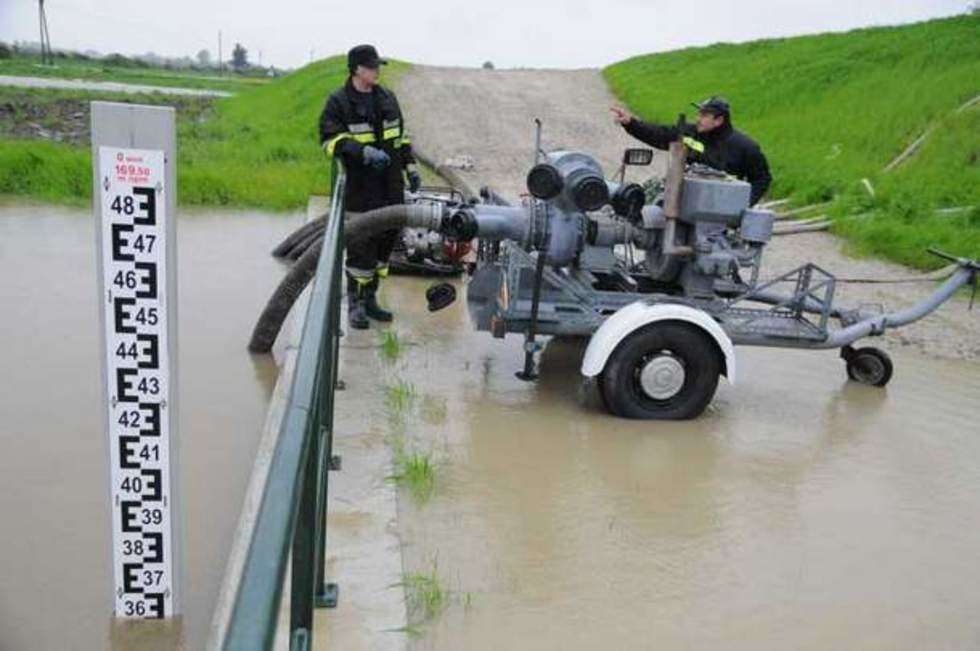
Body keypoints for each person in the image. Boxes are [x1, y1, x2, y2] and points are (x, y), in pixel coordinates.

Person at [319, 44, 421, 329]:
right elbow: (329, 141)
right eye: (372, 67)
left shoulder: (387, 97)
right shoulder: (339, 102)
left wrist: (410, 167)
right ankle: (355, 304)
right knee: (361, 247)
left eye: (378, 67)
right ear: (357, 70)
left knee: (384, 248)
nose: (377, 71)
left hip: (390, 188)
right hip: (361, 190)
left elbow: (401, 137)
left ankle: (372, 299)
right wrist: (361, 152)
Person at [611, 96, 771, 205]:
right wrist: (631, 123)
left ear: (719, 120)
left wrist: (743, 204)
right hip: (684, 201)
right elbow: (658, 134)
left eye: (703, 115)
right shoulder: (689, 133)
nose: (697, 119)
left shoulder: (745, 146)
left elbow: (762, 179)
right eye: (698, 114)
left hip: (721, 209)